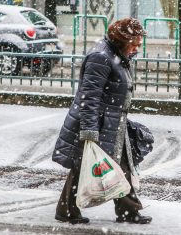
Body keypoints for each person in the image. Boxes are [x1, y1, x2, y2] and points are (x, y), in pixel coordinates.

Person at [52, 18, 152, 225]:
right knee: (86, 166)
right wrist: (89, 131)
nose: (136, 48)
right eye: (134, 44)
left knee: (118, 165)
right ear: (122, 40)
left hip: (112, 122)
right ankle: (69, 210)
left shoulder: (116, 54)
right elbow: (89, 97)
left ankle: (127, 211)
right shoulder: (101, 57)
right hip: (97, 123)